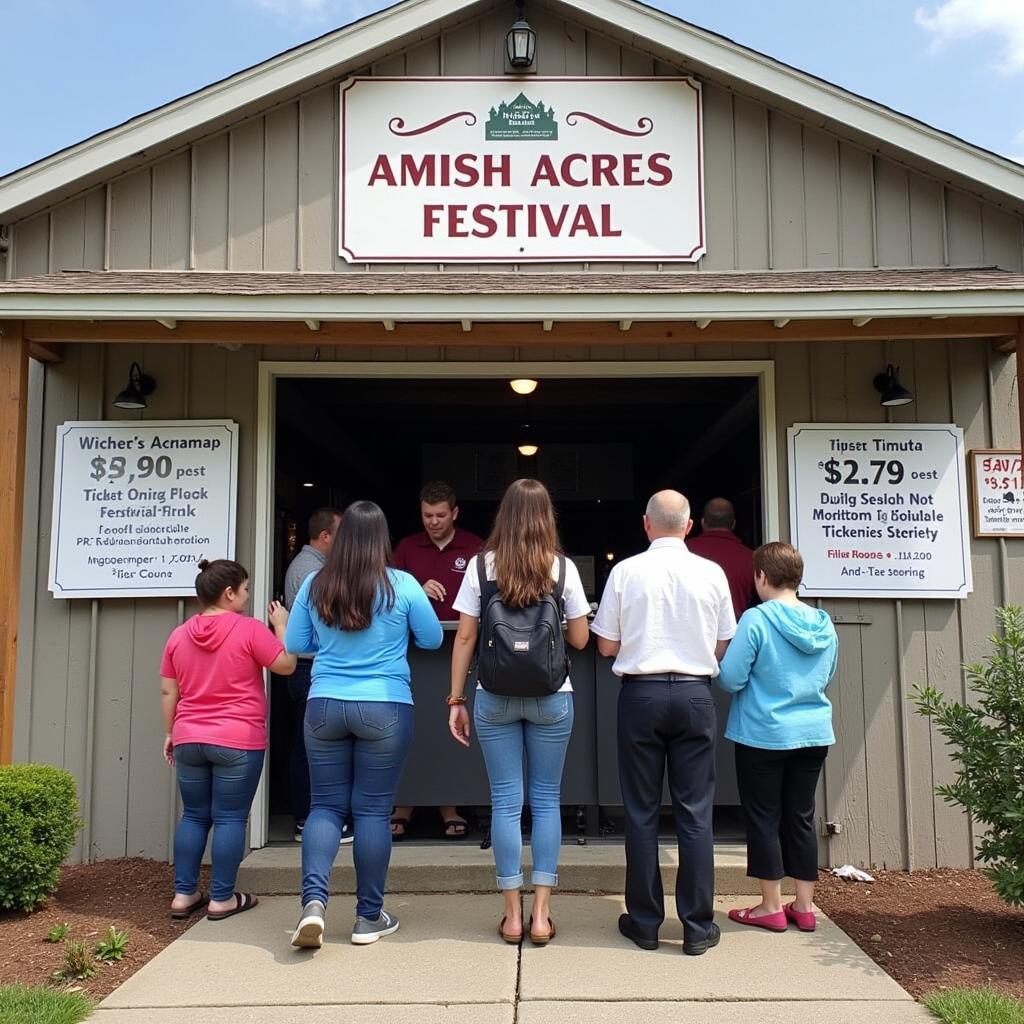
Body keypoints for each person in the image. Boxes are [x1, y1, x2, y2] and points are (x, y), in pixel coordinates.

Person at [284, 500, 442, 949]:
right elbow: (431, 639)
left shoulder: (316, 582)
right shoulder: (402, 584)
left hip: (324, 706)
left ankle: (313, 905)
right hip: (384, 706)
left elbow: (296, 642)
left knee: (325, 808)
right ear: (382, 539)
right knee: (373, 810)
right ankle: (368, 918)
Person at [591, 490, 736, 956]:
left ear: (646, 524)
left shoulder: (626, 571)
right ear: (689, 526)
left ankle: (646, 921)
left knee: (641, 811)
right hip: (695, 694)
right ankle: (696, 926)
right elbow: (722, 644)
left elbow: (606, 646)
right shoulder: (711, 573)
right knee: (695, 813)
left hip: (641, 695)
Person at [447, 478, 590, 946]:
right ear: (547, 517)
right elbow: (581, 639)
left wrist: (456, 699)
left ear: (503, 517)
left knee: (506, 802)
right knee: (546, 800)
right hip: (552, 695)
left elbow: (465, 637)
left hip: (494, 695)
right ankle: (543, 916)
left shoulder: (481, 566)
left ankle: (511, 916)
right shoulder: (562, 568)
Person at [160, 559, 297, 922]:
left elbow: (167, 690)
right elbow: (286, 664)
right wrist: (283, 627)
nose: (248, 596)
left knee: (193, 816)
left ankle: (183, 894)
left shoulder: (179, 635)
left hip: (189, 736)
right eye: (246, 589)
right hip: (238, 738)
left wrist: (172, 732)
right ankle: (222, 898)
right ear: (229, 593)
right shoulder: (249, 630)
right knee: (230, 818)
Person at [716, 541, 837, 933]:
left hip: (763, 734)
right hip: (813, 732)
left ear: (761, 577)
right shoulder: (823, 622)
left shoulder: (756, 620)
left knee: (764, 816)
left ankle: (770, 905)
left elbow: (731, 677)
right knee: (801, 816)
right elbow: (828, 673)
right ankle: (803, 905)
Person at [392, 481, 483, 840]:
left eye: (440, 515)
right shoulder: (406, 548)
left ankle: (451, 805)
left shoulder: (476, 547)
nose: (433, 522)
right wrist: (415, 585)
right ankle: (403, 805)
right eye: (427, 515)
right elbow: (384, 589)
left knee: (451, 731)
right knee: (410, 728)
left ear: (455, 513)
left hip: (460, 651)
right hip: (412, 650)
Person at [283, 506, 343, 844]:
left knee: (307, 745)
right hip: (308, 667)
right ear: (325, 537)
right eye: (341, 534)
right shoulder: (310, 572)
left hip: (307, 667)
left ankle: (309, 816)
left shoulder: (312, 567)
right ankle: (307, 818)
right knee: (309, 748)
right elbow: (326, 621)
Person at [687, 497, 758, 619]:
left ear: (703, 522)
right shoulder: (752, 558)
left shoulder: (683, 550)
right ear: (733, 524)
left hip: (690, 632)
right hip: (736, 635)